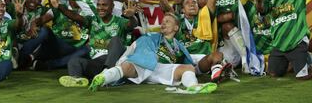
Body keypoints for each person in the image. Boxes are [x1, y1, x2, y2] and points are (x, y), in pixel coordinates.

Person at [88, 12, 217, 93]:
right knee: (127, 65)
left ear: (176, 28)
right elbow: (135, 49)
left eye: (167, 21)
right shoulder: (151, 36)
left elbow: (193, 64)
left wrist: (210, 61)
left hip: (162, 69)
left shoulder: (180, 47)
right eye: (162, 21)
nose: (163, 23)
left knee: (187, 68)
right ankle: (103, 78)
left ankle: (193, 87)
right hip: (144, 66)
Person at [53, 0, 138, 86]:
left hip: (114, 63)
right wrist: (59, 6)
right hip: (96, 62)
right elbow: (75, 17)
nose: (100, 8)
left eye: (104, 5)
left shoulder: (119, 21)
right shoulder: (93, 20)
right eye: (98, 5)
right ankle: (77, 80)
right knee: (74, 61)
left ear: (112, 7)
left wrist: (131, 17)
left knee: (115, 40)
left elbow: (132, 24)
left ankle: (107, 75)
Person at [256, 0, 312, 79]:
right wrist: (259, 1)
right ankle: (295, 63)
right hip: (279, 44)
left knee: (302, 77)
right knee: (273, 74)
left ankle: (305, 60)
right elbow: (262, 11)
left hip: (297, 42)